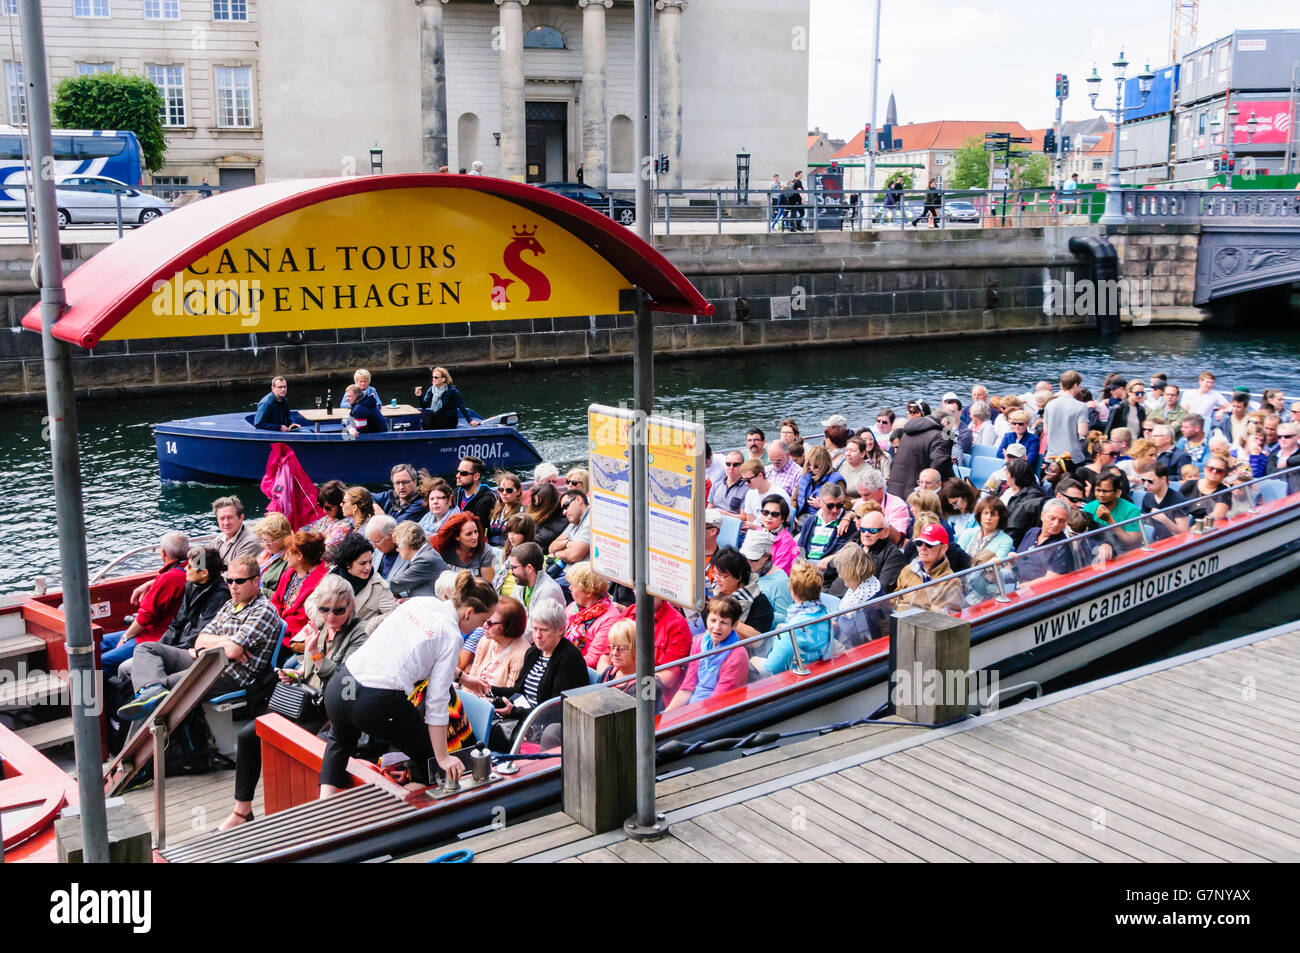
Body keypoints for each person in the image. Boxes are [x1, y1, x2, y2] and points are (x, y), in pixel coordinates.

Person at [319, 571, 498, 793]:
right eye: (481, 621)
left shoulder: (421, 603)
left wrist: (464, 678)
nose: (479, 628)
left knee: (339, 741)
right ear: (468, 612)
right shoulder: (451, 634)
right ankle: (414, 815)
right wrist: (442, 757)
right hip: (375, 700)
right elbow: (437, 701)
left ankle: (325, 808)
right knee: (430, 759)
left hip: (342, 684)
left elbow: (419, 652)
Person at [219, 574, 370, 830]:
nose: (330, 616)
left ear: (351, 607)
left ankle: (302, 816)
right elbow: (309, 669)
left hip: (331, 712)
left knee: (296, 745)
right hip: (305, 704)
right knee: (248, 736)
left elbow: (346, 684)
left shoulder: (360, 635)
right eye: (324, 609)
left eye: (338, 610)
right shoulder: (321, 627)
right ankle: (242, 810)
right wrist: (296, 674)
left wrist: (317, 656)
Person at [118, 554, 282, 723]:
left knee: (163, 688)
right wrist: (225, 642)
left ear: (256, 581)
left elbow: (232, 651)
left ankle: (135, 747)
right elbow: (200, 639)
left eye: (239, 581)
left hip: (229, 674)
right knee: (146, 649)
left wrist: (219, 645)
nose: (233, 586)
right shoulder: (229, 604)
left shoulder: (263, 610)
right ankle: (151, 689)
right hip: (203, 659)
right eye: (229, 581)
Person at [487, 599, 588, 751]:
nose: (537, 635)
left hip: (546, 726)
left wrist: (514, 712)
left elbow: (555, 710)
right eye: (534, 629)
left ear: (560, 630)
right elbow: (518, 690)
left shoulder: (569, 659)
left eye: (544, 630)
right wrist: (489, 690)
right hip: (526, 717)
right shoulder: (534, 652)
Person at [99, 532, 189, 678]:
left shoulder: (169, 579)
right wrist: (152, 582)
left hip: (152, 638)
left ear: (163, 553)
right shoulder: (189, 571)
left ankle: (101, 698)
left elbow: (144, 617)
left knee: (100, 662)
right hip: (151, 632)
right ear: (188, 550)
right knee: (98, 642)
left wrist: (125, 637)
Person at [668, 598, 749, 710]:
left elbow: (718, 701)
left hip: (718, 712)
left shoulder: (737, 655)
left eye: (724, 622)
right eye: (713, 620)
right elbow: (687, 687)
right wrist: (665, 717)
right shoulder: (698, 643)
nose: (717, 627)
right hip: (694, 705)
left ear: (734, 625)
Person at [755, 561, 832, 676]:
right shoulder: (823, 612)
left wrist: (753, 660)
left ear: (792, 590)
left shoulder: (793, 629)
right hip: (820, 670)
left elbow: (771, 667)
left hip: (798, 678)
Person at [613, 597, 692, 695]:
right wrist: (612, 679)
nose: (644, 592)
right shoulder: (629, 613)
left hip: (651, 693)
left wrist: (629, 683)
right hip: (620, 682)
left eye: (650, 588)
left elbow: (670, 676)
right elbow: (605, 656)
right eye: (638, 586)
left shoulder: (677, 624)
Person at [157, 547, 229, 652]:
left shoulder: (220, 595)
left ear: (204, 573)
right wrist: (160, 646)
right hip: (179, 644)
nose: (185, 568)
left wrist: (171, 651)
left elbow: (200, 632)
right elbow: (177, 623)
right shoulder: (191, 584)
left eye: (190, 567)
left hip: (191, 650)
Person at [458, 596, 530, 696]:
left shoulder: (521, 654)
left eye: (490, 623)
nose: (484, 626)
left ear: (509, 625)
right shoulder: (485, 641)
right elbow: (472, 677)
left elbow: (509, 696)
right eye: (485, 620)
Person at [330, 532, 398, 634]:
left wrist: (370, 625)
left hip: (355, 641)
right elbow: (311, 603)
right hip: (325, 636)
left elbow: (394, 615)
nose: (368, 567)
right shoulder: (334, 575)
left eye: (370, 561)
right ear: (348, 564)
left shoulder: (378, 586)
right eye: (362, 563)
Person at [271, 531, 328, 648]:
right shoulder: (289, 573)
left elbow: (300, 620)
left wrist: (272, 628)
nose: (285, 556)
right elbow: (275, 601)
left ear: (299, 556)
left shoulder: (321, 582)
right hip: (275, 628)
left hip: (290, 638)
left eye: (288, 553)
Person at [892, 524, 962, 615]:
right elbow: (894, 601)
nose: (923, 548)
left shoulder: (951, 582)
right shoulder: (907, 570)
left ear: (943, 549)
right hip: (900, 624)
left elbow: (950, 618)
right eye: (919, 543)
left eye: (929, 544)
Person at [598, 620, 664, 712]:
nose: (614, 653)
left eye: (622, 648)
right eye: (612, 647)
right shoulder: (608, 672)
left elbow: (646, 721)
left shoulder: (648, 684)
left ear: (637, 649)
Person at [564, 562, 621, 668]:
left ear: (589, 591)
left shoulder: (610, 618)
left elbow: (592, 660)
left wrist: (561, 665)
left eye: (574, 586)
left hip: (580, 671)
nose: (570, 588)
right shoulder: (573, 607)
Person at [888, 406, 953, 500]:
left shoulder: (907, 433)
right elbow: (940, 465)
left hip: (893, 492)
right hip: (915, 495)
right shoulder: (941, 436)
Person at [796, 482, 856, 578]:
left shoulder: (847, 524)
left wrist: (832, 558)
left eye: (839, 505)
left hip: (829, 571)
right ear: (819, 502)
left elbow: (847, 551)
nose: (835, 510)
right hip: (806, 567)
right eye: (830, 506)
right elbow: (800, 547)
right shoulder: (810, 521)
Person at [833, 544, 884, 647]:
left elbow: (862, 642)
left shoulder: (868, 608)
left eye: (841, 571)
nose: (839, 575)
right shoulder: (860, 589)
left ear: (851, 572)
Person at [1013, 499, 1075, 582]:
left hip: (1034, 591)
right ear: (1042, 516)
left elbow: (1050, 579)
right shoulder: (1032, 532)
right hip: (1014, 579)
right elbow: (1018, 559)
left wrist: (1018, 588)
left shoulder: (1062, 545)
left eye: (1061, 521)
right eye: (1052, 518)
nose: (1056, 524)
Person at [741, 529, 793, 626]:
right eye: (744, 557)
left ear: (766, 556)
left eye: (753, 559)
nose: (748, 563)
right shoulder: (742, 569)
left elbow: (785, 617)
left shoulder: (781, 580)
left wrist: (754, 613)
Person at [387, 521, 446, 599]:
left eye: (397, 545)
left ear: (406, 543)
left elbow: (395, 584)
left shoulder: (426, 560)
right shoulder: (426, 554)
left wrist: (371, 583)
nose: (397, 550)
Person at [432, 512, 495, 583]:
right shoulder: (442, 547)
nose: (475, 537)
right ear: (457, 536)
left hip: (475, 592)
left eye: (476, 532)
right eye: (469, 534)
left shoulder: (485, 551)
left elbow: (487, 586)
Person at [793, 445, 846, 529]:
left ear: (825, 464)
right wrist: (793, 514)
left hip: (823, 521)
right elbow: (795, 499)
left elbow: (846, 505)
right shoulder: (805, 476)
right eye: (809, 465)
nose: (812, 469)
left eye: (816, 466)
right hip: (801, 518)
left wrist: (824, 505)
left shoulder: (837, 481)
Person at [1043, 370, 1091, 463]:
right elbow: (1083, 432)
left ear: (1062, 385)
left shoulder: (1050, 404)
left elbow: (1046, 430)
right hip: (1073, 457)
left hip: (1052, 456)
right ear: (1075, 385)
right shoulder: (1081, 406)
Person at [854, 468, 909, 545]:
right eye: (861, 495)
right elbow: (852, 514)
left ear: (880, 489)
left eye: (867, 494)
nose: (863, 499)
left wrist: (878, 519)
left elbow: (897, 538)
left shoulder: (897, 505)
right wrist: (847, 517)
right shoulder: (861, 502)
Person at [856, 509, 907, 593]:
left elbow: (882, 589)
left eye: (872, 531)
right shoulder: (856, 547)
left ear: (886, 532)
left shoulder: (893, 555)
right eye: (863, 530)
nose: (866, 534)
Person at [508, 541, 565, 614]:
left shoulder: (548, 591)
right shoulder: (521, 582)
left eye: (513, 567)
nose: (510, 572)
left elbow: (537, 624)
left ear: (529, 568)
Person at [1137, 463, 1191, 540]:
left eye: (1150, 481)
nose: (1146, 485)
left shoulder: (1178, 501)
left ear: (1163, 479)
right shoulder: (1147, 497)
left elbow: (1184, 532)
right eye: (1143, 480)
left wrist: (1165, 520)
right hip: (1154, 541)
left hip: (1172, 543)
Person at [415, 366, 478, 431]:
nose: (433, 379)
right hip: (437, 415)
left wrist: (470, 421)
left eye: (436, 377)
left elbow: (461, 407)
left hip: (450, 418)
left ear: (443, 379)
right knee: (425, 418)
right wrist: (419, 396)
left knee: (430, 423)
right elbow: (424, 406)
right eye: (433, 377)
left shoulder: (452, 391)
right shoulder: (431, 390)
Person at [1003, 458, 1046, 547]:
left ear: (1015, 476)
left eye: (1007, 473)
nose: (1005, 476)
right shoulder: (1009, 490)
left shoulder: (1031, 499)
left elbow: (1014, 530)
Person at [739, 459, 791, 530]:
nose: (746, 483)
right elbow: (750, 522)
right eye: (744, 480)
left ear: (760, 476)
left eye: (748, 480)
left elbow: (784, 527)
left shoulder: (780, 494)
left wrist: (758, 528)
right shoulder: (750, 493)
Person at [757, 493, 801, 575]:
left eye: (774, 514)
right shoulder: (759, 532)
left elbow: (778, 574)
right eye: (765, 512)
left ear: (783, 519)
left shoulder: (787, 542)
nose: (769, 517)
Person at [496, 514, 536, 598]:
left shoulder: (532, 555)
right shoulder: (508, 550)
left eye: (516, 533)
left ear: (526, 534)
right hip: (500, 596)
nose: (511, 536)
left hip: (515, 599)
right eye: (510, 532)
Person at [253, 513, 293, 597]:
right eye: (263, 540)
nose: (265, 544)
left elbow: (283, 598)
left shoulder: (290, 561)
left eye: (269, 541)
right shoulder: (266, 554)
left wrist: (258, 590)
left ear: (283, 539)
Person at [213, 495, 261, 565]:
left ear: (241, 517)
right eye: (222, 518)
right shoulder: (219, 539)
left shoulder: (251, 542)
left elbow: (235, 573)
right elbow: (204, 557)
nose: (226, 523)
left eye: (230, 517)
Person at [548, 490, 591, 564]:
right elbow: (551, 547)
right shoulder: (575, 521)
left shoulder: (591, 519)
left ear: (578, 499)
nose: (564, 512)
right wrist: (566, 542)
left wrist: (555, 554)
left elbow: (573, 555)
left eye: (566, 505)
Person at [453, 455, 496, 527]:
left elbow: (483, 530)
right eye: (457, 471)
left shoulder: (486, 500)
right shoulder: (456, 493)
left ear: (476, 476)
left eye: (463, 473)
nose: (457, 475)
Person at [527, 482, 570, 551]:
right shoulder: (537, 513)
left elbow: (541, 540)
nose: (536, 506)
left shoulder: (561, 521)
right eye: (534, 502)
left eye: (539, 504)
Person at [487, 471, 524, 547]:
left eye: (509, 490)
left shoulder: (521, 513)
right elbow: (486, 531)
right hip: (491, 550)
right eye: (501, 490)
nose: (504, 493)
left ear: (518, 491)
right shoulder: (496, 510)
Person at [1266, 422, 1300, 493]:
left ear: (1297, 437)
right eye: (1279, 437)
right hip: (1280, 497)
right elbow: (1270, 476)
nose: (1282, 439)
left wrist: (1288, 462)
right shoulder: (1273, 455)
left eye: (1287, 436)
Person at [365, 514, 400, 579]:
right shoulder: (377, 551)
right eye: (372, 542)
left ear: (391, 535)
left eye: (377, 542)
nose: (374, 546)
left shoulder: (408, 553)